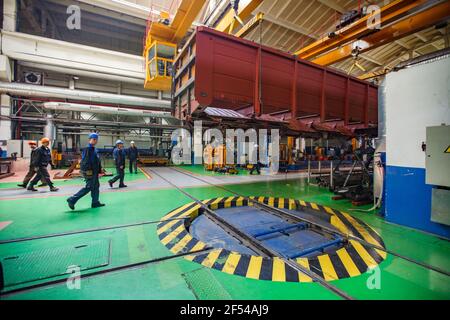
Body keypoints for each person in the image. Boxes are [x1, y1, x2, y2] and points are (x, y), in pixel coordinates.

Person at [67, 133, 105, 210]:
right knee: (89, 187)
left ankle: (95, 202)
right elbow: (85, 161)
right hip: (90, 172)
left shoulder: (94, 149)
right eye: (93, 139)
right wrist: (87, 171)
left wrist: (100, 170)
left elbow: (96, 161)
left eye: (96, 139)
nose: (95, 141)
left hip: (94, 172)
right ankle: (72, 199)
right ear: (89, 139)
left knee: (96, 187)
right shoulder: (88, 149)